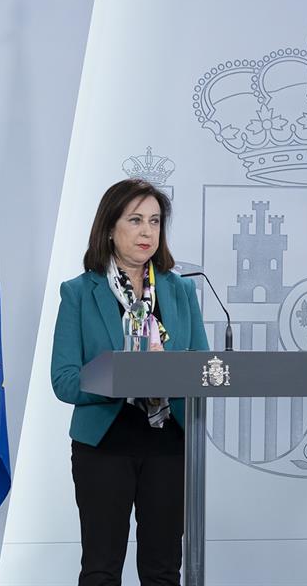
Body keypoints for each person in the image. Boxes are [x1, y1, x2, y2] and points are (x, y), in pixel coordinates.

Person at [52, 178, 210, 586]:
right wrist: (126, 373)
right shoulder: (79, 293)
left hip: (169, 445)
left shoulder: (181, 291)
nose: (147, 232)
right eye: (136, 220)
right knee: (101, 570)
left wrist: (168, 371)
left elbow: (201, 369)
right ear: (109, 227)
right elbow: (65, 381)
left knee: (162, 571)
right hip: (104, 445)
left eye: (155, 222)